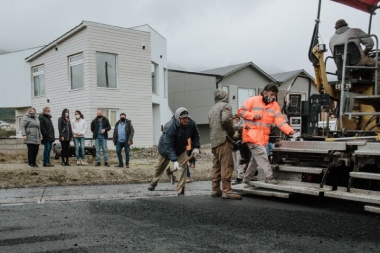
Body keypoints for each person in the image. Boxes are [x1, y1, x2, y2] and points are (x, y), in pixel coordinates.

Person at [238, 83, 295, 185]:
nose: (273, 97)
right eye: (271, 94)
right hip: (251, 136)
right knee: (263, 156)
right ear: (264, 93)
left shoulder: (274, 106)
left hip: (262, 138)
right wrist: (253, 115)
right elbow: (241, 111)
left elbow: (279, 121)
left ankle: (246, 180)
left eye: (274, 95)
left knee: (255, 160)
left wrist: (289, 130)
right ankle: (269, 177)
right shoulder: (253, 100)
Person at [147, 107, 200, 196]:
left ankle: (180, 190)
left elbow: (195, 135)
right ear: (177, 118)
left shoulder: (191, 123)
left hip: (180, 149)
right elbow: (168, 146)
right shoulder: (170, 127)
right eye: (183, 118)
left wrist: (196, 147)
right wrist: (174, 160)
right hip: (165, 149)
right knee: (159, 168)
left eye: (186, 118)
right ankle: (153, 182)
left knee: (183, 168)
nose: (185, 120)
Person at [329, 19, 380, 92]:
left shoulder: (331, 39)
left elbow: (335, 56)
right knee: (378, 65)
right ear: (346, 25)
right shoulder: (355, 31)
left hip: (343, 67)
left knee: (352, 70)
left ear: (336, 28)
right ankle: (376, 92)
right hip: (358, 60)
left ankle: (355, 91)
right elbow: (370, 43)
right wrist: (365, 53)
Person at [208, 89, 241, 200]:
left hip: (214, 141)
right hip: (224, 140)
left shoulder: (212, 109)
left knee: (216, 166)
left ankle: (215, 189)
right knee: (227, 164)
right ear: (224, 97)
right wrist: (233, 133)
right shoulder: (226, 106)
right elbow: (226, 120)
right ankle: (227, 190)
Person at [231, 114, 246, 185]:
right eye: (234, 118)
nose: (235, 119)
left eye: (236, 118)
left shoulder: (241, 127)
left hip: (239, 147)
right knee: (235, 164)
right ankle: (238, 176)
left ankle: (240, 177)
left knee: (239, 163)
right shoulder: (231, 128)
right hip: (232, 147)